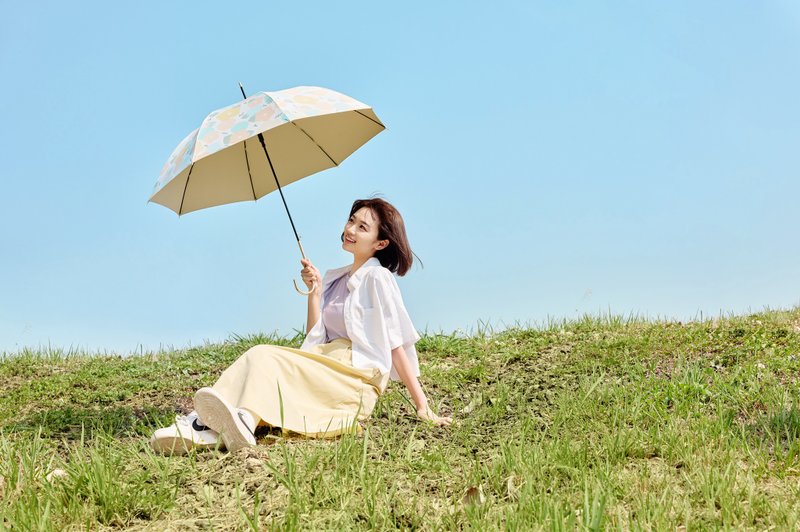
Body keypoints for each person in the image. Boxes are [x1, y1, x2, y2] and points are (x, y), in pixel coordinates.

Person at [150, 198, 451, 455]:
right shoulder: (337, 280)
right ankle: (202, 427)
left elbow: (395, 343)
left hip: (353, 377)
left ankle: (234, 420)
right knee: (262, 360)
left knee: (263, 355)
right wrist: (316, 292)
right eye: (351, 221)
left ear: (380, 243)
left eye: (362, 227)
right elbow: (315, 338)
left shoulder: (377, 278)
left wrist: (423, 407)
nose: (350, 230)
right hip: (326, 365)